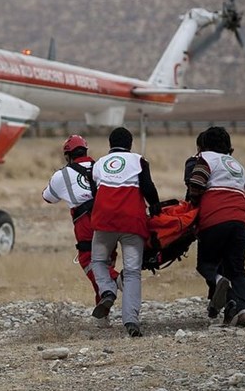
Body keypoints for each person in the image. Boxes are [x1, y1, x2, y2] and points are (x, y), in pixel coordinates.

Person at [42, 135, 120, 327]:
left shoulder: (61, 175)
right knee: (105, 261)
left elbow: (48, 197)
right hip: (110, 220)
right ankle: (103, 317)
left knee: (89, 261)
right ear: (85, 151)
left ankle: (118, 280)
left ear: (67, 156)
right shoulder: (102, 166)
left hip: (86, 223)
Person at [90, 127, 160, 337]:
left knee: (98, 261)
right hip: (132, 222)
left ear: (110, 144)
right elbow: (148, 187)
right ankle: (131, 321)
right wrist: (155, 206)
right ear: (130, 144)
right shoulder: (138, 161)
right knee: (131, 272)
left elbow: (94, 191)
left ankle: (107, 291)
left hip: (104, 221)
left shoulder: (99, 163)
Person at [186, 126, 245, 327]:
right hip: (240, 220)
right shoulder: (238, 165)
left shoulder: (206, 159)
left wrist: (192, 203)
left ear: (204, 144)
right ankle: (242, 310)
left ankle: (219, 282)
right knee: (237, 269)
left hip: (214, 218)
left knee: (206, 264)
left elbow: (196, 184)